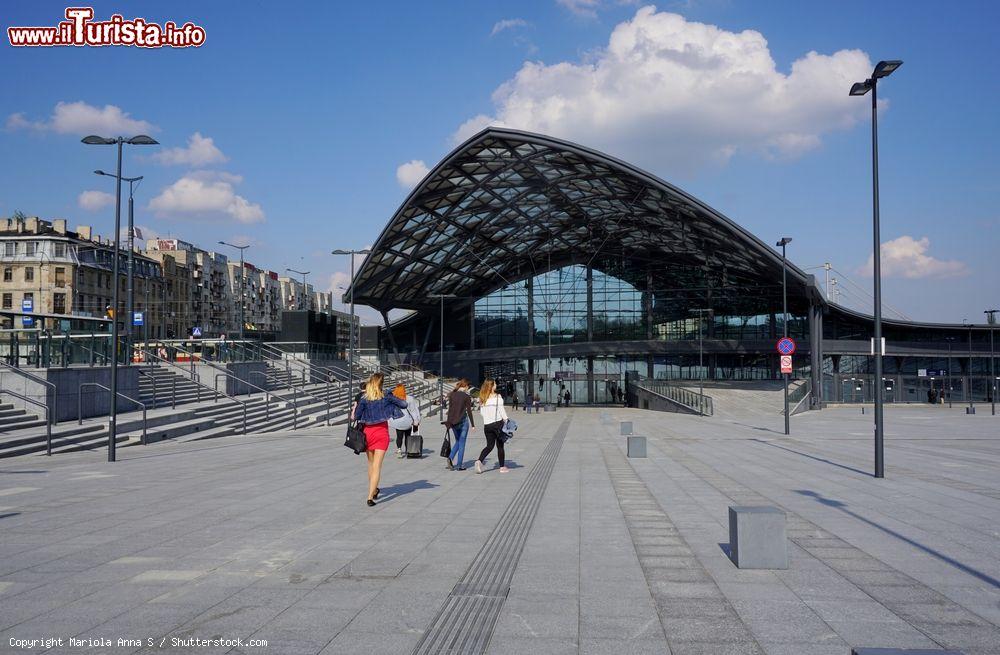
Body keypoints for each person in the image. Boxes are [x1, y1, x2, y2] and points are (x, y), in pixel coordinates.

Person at [353, 373, 406, 506]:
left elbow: (357, 416)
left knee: (371, 465)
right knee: (377, 466)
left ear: (371, 382)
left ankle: (374, 490)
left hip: (368, 433)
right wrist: (391, 397)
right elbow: (404, 404)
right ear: (382, 384)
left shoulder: (365, 398)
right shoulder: (386, 395)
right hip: (381, 434)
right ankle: (370, 496)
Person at [476, 379, 509, 474]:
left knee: (489, 446)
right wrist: (507, 420)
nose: (496, 385)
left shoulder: (483, 398)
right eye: (495, 384)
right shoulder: (498, 397)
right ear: (492, 386)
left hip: (487, 425)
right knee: (500, 446)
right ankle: (502, 467)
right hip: (497, 424)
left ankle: (479, 461)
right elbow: (502, 411)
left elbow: (482, 413)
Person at [444, 379, 475, 470]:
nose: (467, 389)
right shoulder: (466, 396)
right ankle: (459, 464)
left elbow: (450, 410)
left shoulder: (452, 395)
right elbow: (469, 411)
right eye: (468, 387)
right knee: (462, 443)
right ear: (465, 386)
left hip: (453, 422)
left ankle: (450, 458)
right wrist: (473, 425)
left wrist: (449, 422)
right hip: (463, 422)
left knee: (458, 441)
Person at [388, 383, 420, 458]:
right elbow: (413, 411)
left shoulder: (393, 399)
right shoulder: (409, 399)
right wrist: (416, 420)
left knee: (399, 437)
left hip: (398, 422)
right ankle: (408, 450)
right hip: (408, 421)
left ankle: (399, 450)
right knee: (407, 436)